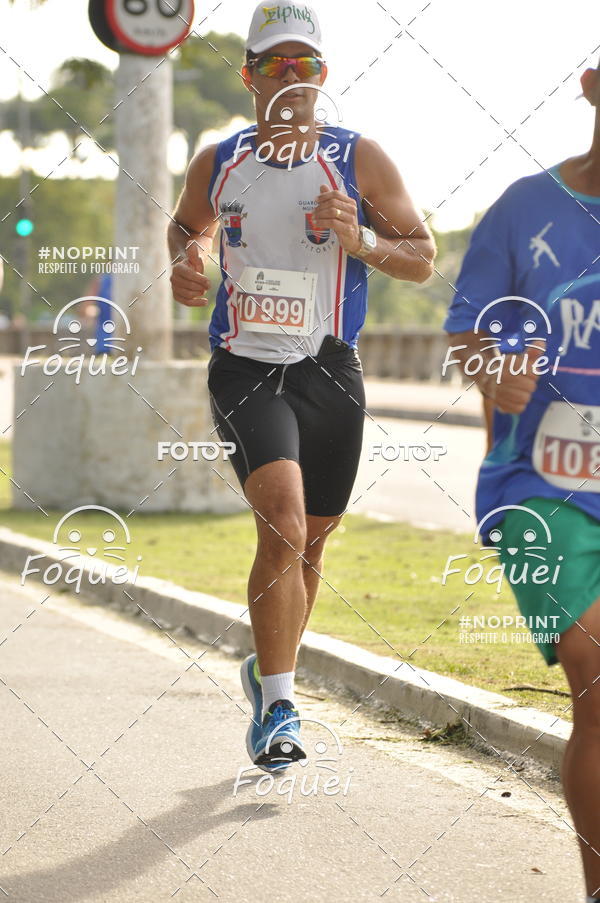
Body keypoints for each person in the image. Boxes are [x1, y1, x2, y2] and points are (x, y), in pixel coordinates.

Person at [168, 1, 435, 772]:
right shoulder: (219, 161)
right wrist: (188, 262)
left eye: (306, 65)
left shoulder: (360, 159)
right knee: (281, 522)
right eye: (276, 64)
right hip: (246, 366)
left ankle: (265, 668)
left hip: (330, 369)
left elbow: (421, 255)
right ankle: (281, 703)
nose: (293, 78)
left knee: (312, 540)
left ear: (324, 77)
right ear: (248, 74)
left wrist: (362, 239)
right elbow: (188, 228)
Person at [445, 57, 600, 903]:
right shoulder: (524, 208)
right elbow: (466, 333)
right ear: (590, 85)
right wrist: (491, 369)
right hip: (539, 484)